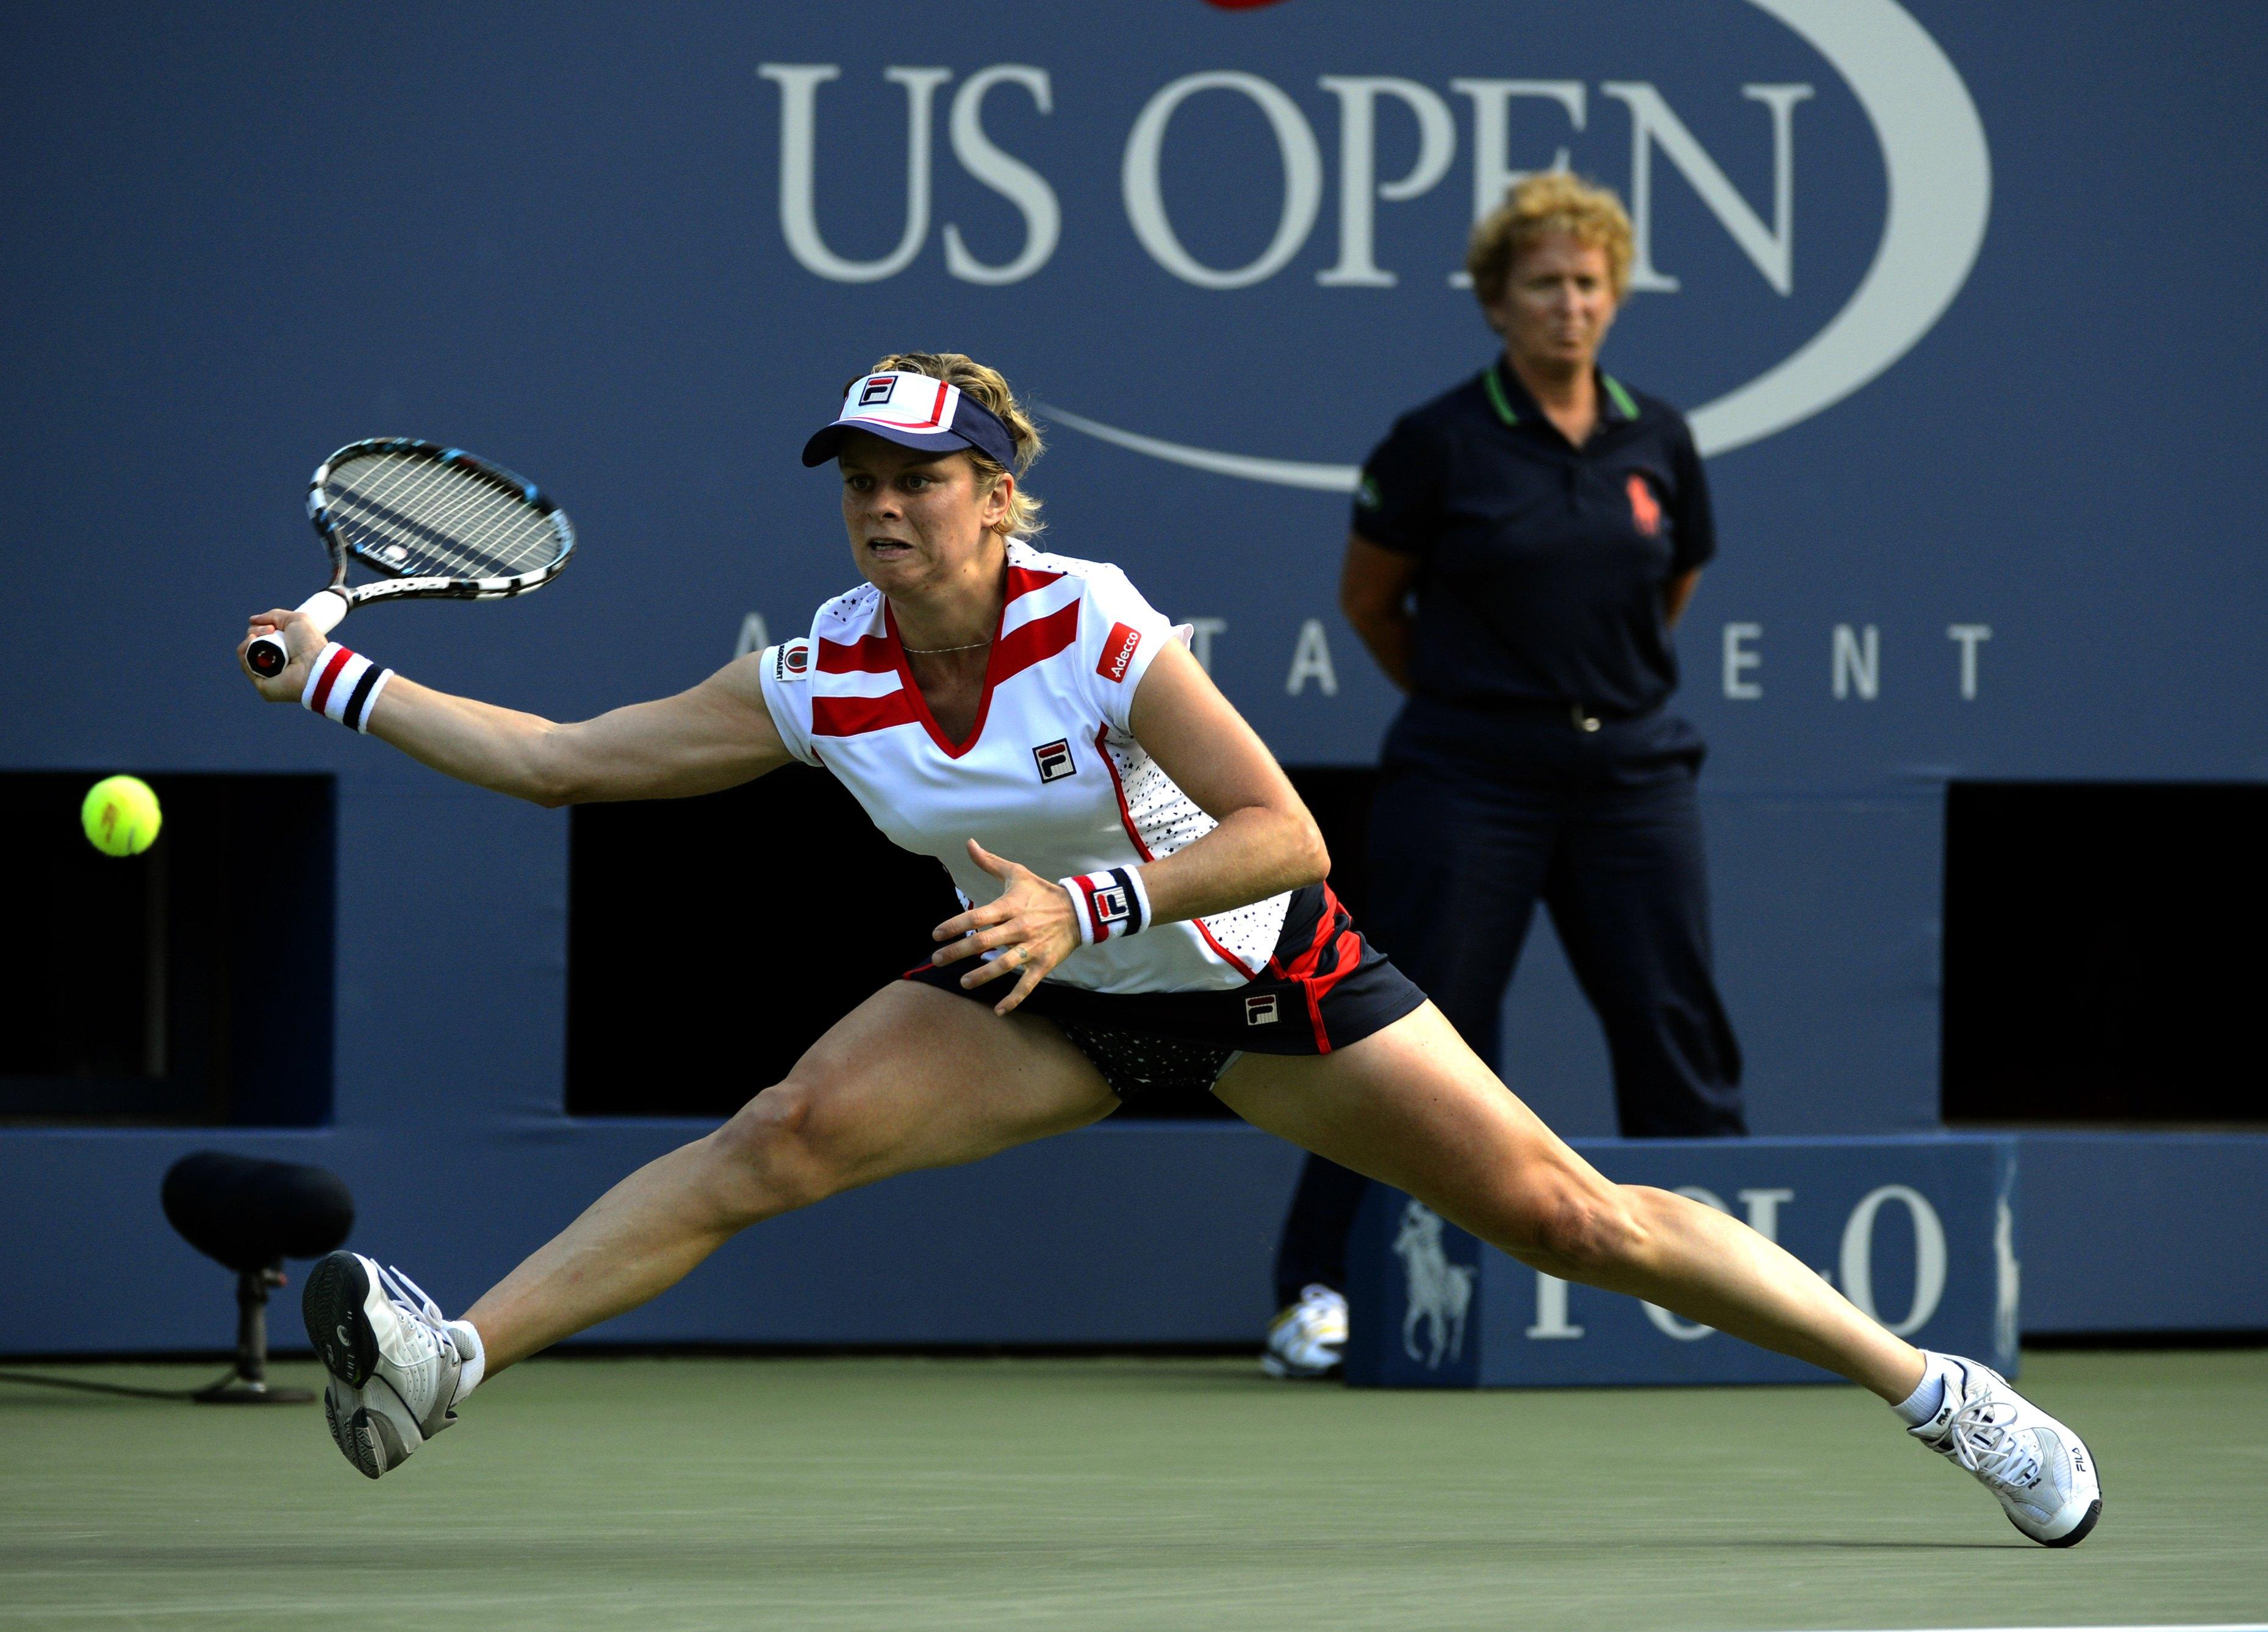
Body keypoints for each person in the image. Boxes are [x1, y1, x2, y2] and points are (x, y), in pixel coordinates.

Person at [236, 351, 2100, 1547]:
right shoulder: (818, 670)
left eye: (917, 475)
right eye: (855, 478)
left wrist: (1084, 903)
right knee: (782, 1132)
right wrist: (343, 675)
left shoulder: (1094, 625)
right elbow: (569, 762)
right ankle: (449, 1357)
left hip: (1257, 977)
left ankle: (1936, 1391)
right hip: (1049, 1004)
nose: (881, 504)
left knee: (1570, 1217)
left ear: (992, 491)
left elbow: (1285, 828)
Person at [1265, 173, 1745, 1383]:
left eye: (1587, 284)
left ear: (1614, 296)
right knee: (1396, 1037)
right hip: (1467, 776)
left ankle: (1735, 1305)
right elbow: (1371, 605)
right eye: (1542, 284)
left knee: (1672, 1030)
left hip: (1632, 776)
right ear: (1495, 302)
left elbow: (1664, 593)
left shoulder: (1660, 440)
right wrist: (1486, 696)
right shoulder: (1435, 443)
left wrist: (1589, 698)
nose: (1568, 305)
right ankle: (1319, 1295)